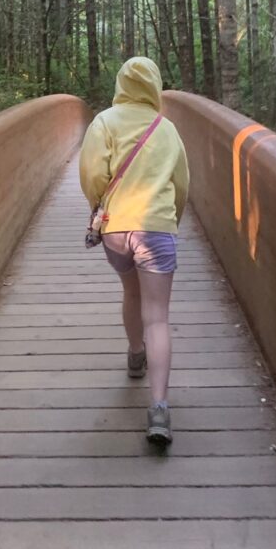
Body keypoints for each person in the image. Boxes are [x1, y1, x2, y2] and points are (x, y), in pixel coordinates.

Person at [79, 57, 189, 446]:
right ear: (155, 86)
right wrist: (171, 217)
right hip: (156, 228)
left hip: (116, 228)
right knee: (157, 315)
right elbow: (181, 183)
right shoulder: (167, 128)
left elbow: (92, 175)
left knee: (131, 292)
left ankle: (135, 353)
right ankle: (158, 407)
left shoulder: (105, 122)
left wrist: (102, 206)